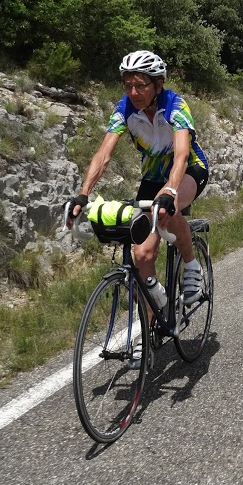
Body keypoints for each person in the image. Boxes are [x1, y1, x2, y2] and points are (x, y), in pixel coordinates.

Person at [68, 49, 209, 310]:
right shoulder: (124, 109)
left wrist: (171, 191)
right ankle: (154, 316)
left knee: (168, 205)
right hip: (153, 177)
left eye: (140, 85)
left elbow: (181, 155)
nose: (133, 92)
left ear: (158, 84)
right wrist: (84, 192)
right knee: (142, 253)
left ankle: (190, 264)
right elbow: (104, 154)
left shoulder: (175, 106)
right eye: (128, 85)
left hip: (190, 169)